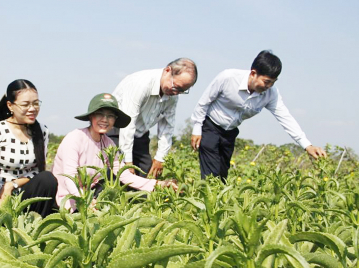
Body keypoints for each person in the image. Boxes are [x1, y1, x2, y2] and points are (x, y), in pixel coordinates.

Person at [190, 50, 327, 180]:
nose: (269, 86)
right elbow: (204, 102)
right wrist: (197, 129)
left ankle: (216, 203)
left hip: (229, 133)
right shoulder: (228, 77)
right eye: (266, 81)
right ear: (253, 73)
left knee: (222, 175)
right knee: (211, 175)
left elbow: (286, 118)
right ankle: (207, 202)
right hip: (210, 126)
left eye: (273, 82)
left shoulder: (271, 93)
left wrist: (307, 145)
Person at [52, 93, 178, 211]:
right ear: (91, 116)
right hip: (66, 200)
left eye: (110, 116)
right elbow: (69, 177)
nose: (105, 119)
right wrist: (84, 200)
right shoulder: (75, 138)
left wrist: (158, 184)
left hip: (90, 200)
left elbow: (125, 175)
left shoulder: (108, 143)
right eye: (100, 114)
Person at [109, 58, 198, 178]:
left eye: (182, 91)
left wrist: (160, 158)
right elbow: (128, 123)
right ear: (167, 70)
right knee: (114, 172)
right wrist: (127, 161)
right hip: (116, 130)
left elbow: (167, 126)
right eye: (176, 87)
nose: (176, 93)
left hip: (140, 134)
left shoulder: (172, 96)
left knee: (144, 171)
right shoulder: (141, 84)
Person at [0, 79, 57, 217]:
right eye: (25, 104)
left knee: (47, 179)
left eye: (36, 103)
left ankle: (36, 224)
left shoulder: (42, 131)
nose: (32, 109)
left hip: (23, 192)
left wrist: (13, 184)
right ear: (10, 106)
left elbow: (37, 170)